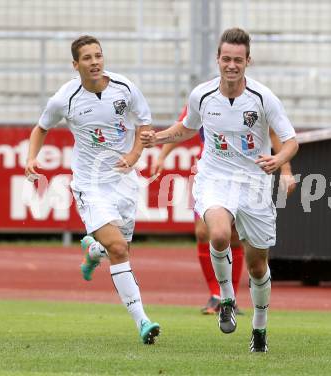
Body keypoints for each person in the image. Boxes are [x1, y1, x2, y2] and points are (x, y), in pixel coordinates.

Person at [141, 28, 298, 352]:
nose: (231, 65)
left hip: (253, 182)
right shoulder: (201, 94)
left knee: (258, 267)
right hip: (215, 177)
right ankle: (225, 298)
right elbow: (186, 128)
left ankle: (259, 328)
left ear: (247, 61)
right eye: (226, 59)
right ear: (218, 59)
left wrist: (281, 162)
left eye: (237, 60)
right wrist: (157, 139)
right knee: (218, 235)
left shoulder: (263, 98)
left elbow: (290, 140)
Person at [24, 35, 160, 345]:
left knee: (118, 246)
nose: (95, 61)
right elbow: (41, 128)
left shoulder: (124, 88)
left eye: (98, 55)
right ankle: (143, 321)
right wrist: (31, 158)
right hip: (90, 183)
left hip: (124, 180)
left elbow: (144, 124)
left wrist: (135, 155)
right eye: (87, 57)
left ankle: (92, 250)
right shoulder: (65, 98)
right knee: (120, 249)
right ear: (76, 65)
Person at [152, 106, 296, 316]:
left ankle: (230, 298)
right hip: (209, 175)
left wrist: (285, 168)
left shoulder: (254, 99)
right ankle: (215, 294)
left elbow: (274, 133)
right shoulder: (204, 98)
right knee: (203, 231)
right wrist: (161, 156)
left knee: (235, 236)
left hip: (245, 175)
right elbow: (182, 129)